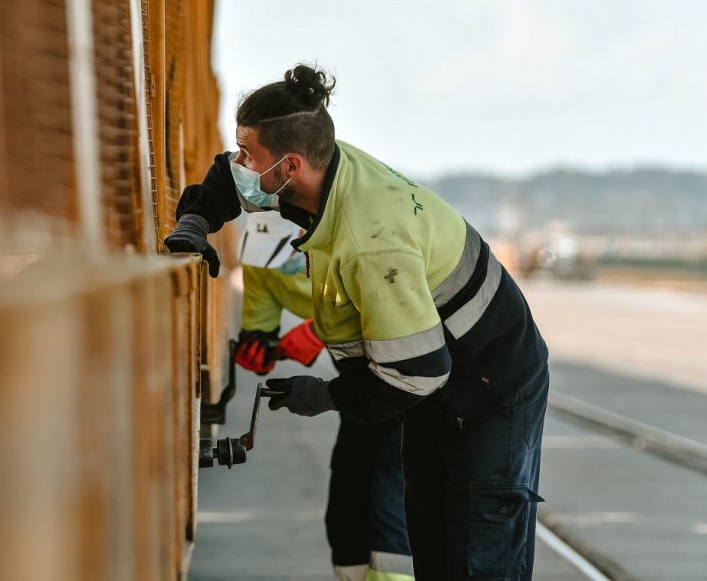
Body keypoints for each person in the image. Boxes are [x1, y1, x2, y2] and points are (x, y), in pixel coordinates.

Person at [164, 64, 549, 581]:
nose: (238, 164)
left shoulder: (372, 239)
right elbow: (229, 180)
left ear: (289, 166)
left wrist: (328, 395)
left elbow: (418, 370)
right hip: (437, 396)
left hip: (491, 389)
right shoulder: (321, 178)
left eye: (246, 154)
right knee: (433, 552)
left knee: (480, 558)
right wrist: (195, 222)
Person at [235, 210, 414, 581]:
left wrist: (319, 330)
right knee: (345, 512)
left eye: (289, 255)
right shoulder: (260, 261)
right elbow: (261, 330)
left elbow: (395, 306)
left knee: (387, 508)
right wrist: (260, 351)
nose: (283, 266)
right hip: (356, 390)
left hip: (405, 388)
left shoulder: (350, 244)